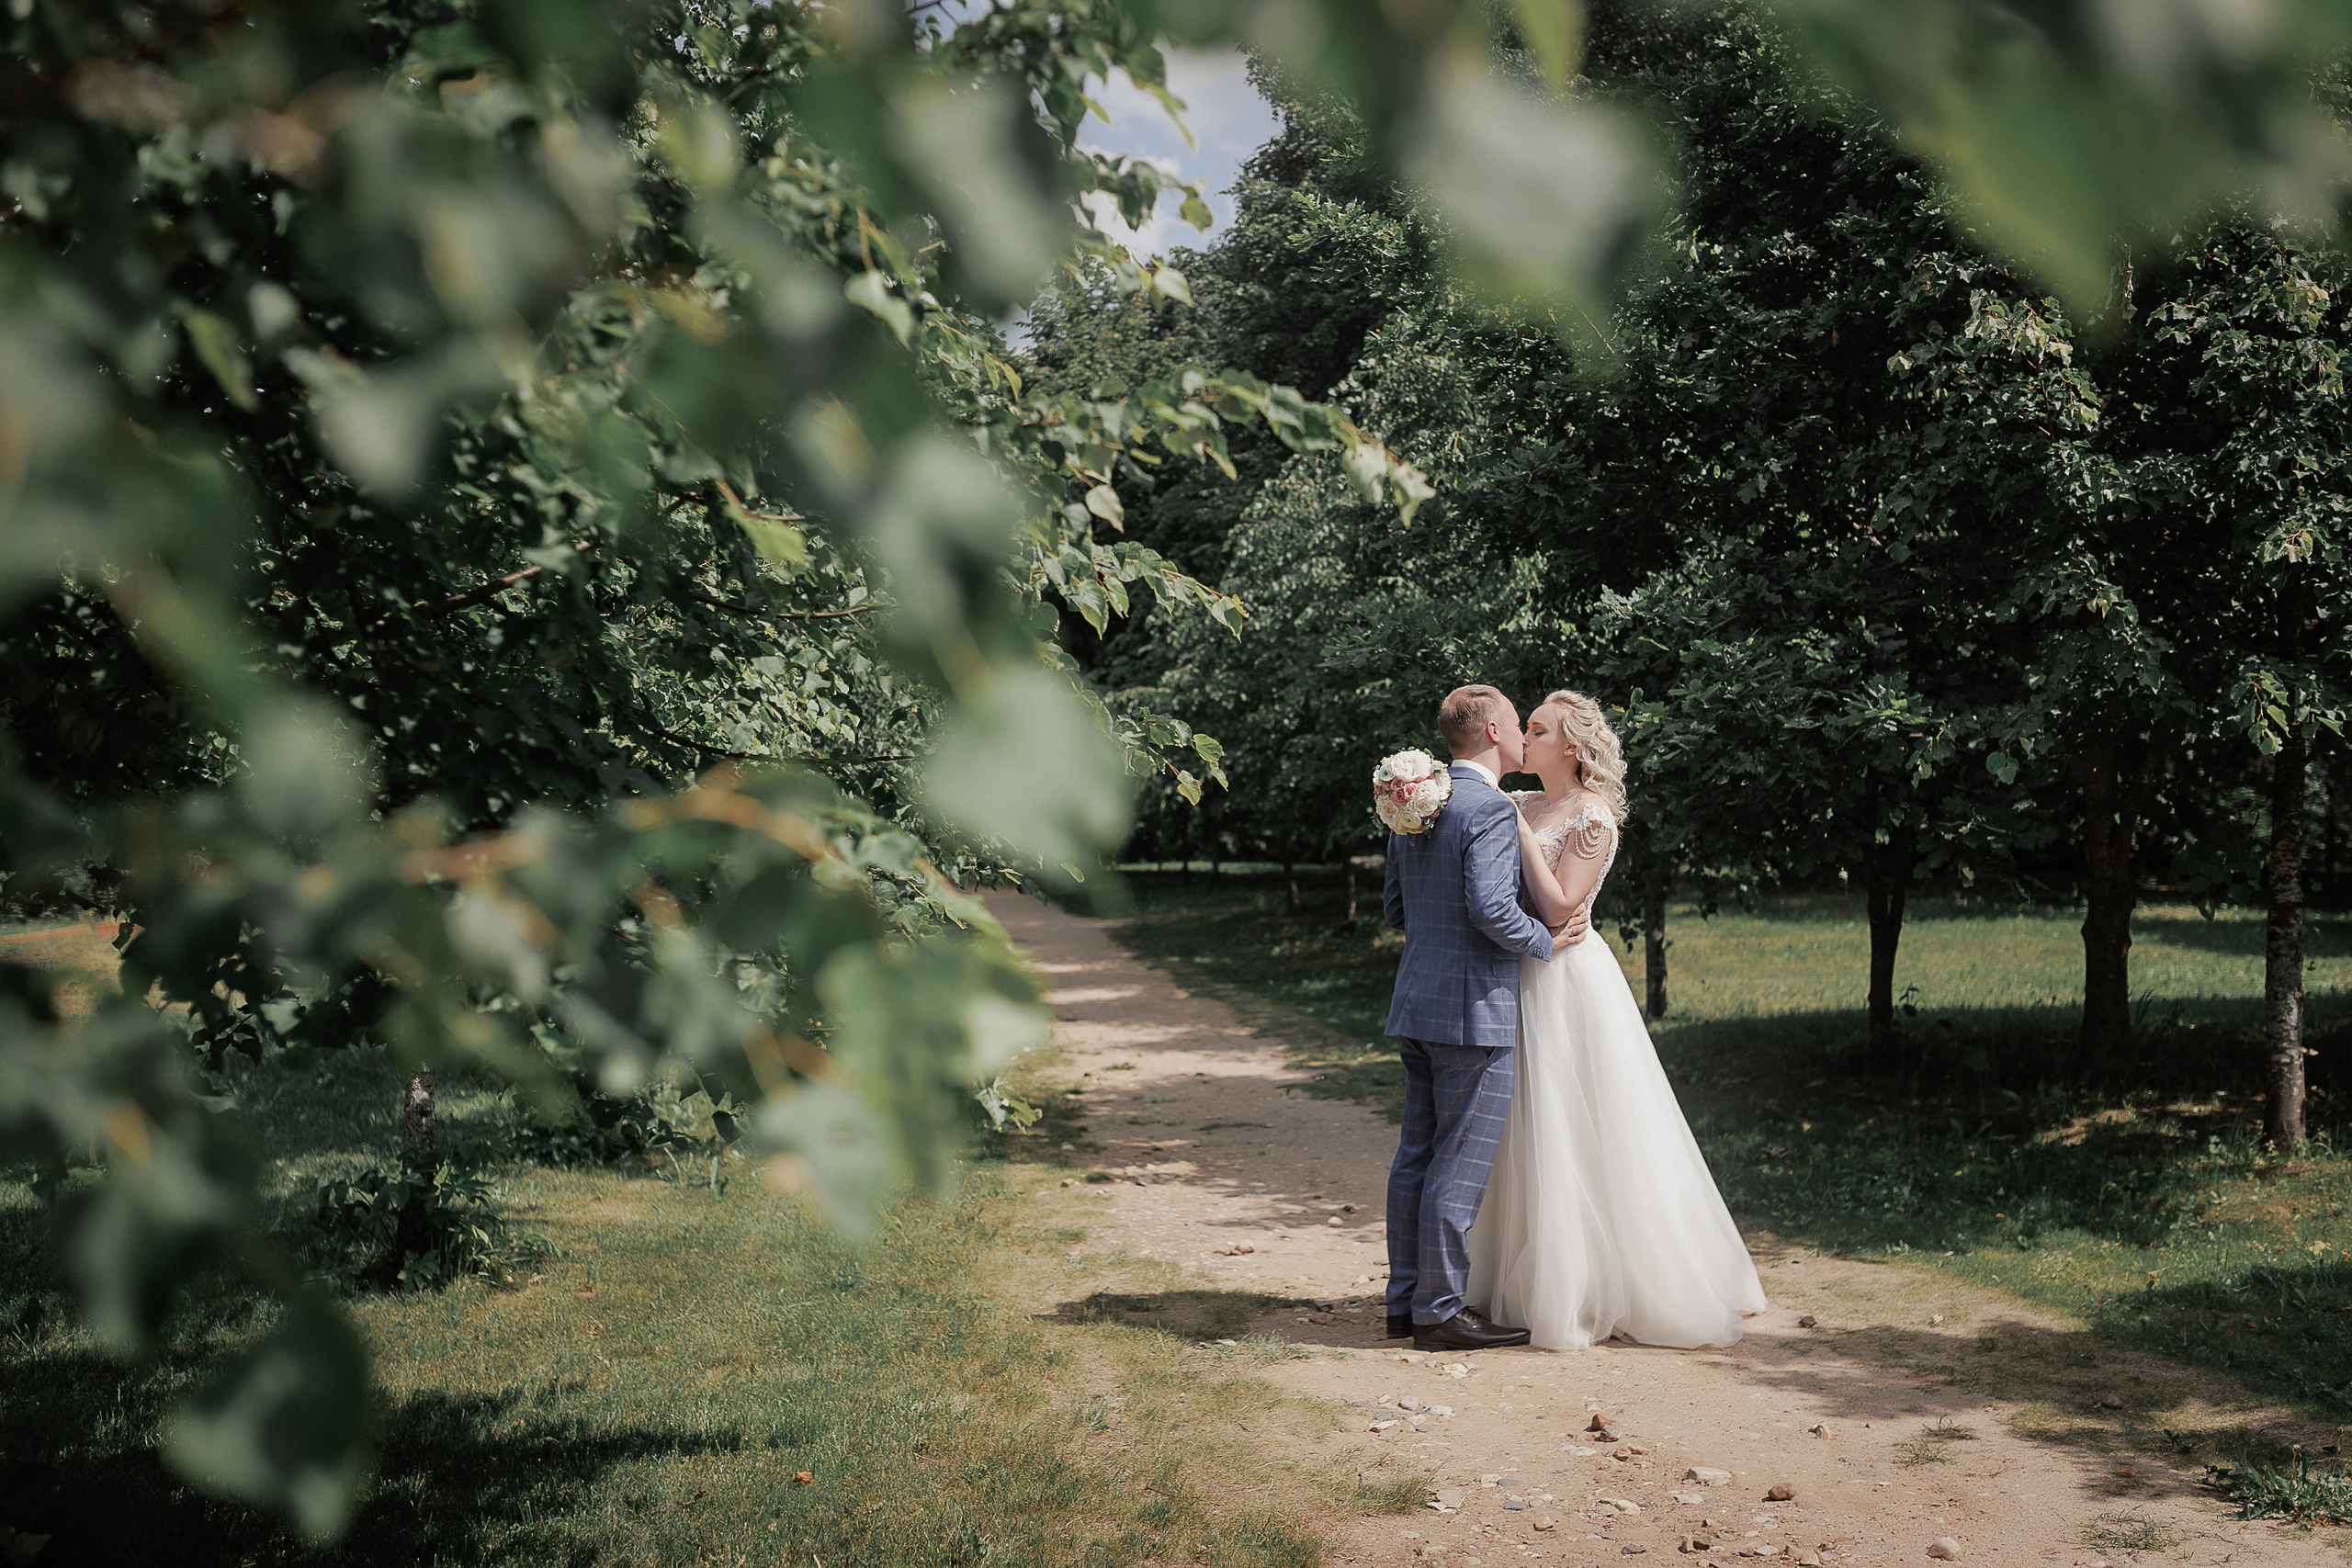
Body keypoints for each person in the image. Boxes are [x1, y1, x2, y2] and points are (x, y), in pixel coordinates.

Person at [1466, 689, 1767, 1349]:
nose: (1525, 736)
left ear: (1569, 747)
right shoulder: (1514, 801)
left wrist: (1517, 831)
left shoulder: (1590, 814)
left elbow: (1559, 906)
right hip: (1515, 977)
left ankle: (1595, 1281)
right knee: (1520, 1124)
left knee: (1581, 1124)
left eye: (1537, 728)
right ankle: (1506, 1274)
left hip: (1568, 980)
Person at [1381, 684, 1589, 1351]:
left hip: (1415, 1003)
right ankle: (1440, 1311)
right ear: (1497, 730)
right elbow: (1491, 908)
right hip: (1474, 1014)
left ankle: (1404, 1301)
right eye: (1516, 720)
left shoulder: (1415, 801)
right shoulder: (1492, 809)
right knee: (1457, 1165)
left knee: (1415, 1154)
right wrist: (1544, 942)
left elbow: (1395, 909)